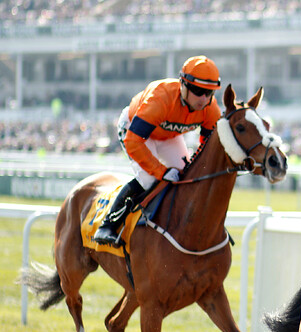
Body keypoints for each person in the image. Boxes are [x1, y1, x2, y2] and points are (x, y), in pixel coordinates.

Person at [93, 55, 222, 246]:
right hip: (135, 131)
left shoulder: (210, 108)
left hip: (168, 135)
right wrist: (161, 171)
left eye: (209, 92)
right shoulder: (160, 97)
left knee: (185, 176)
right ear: (183, 85)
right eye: (198, 90)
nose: (204, 99)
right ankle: (108, 224)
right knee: (149, 179)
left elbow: (207, 146)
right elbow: (134, 141)